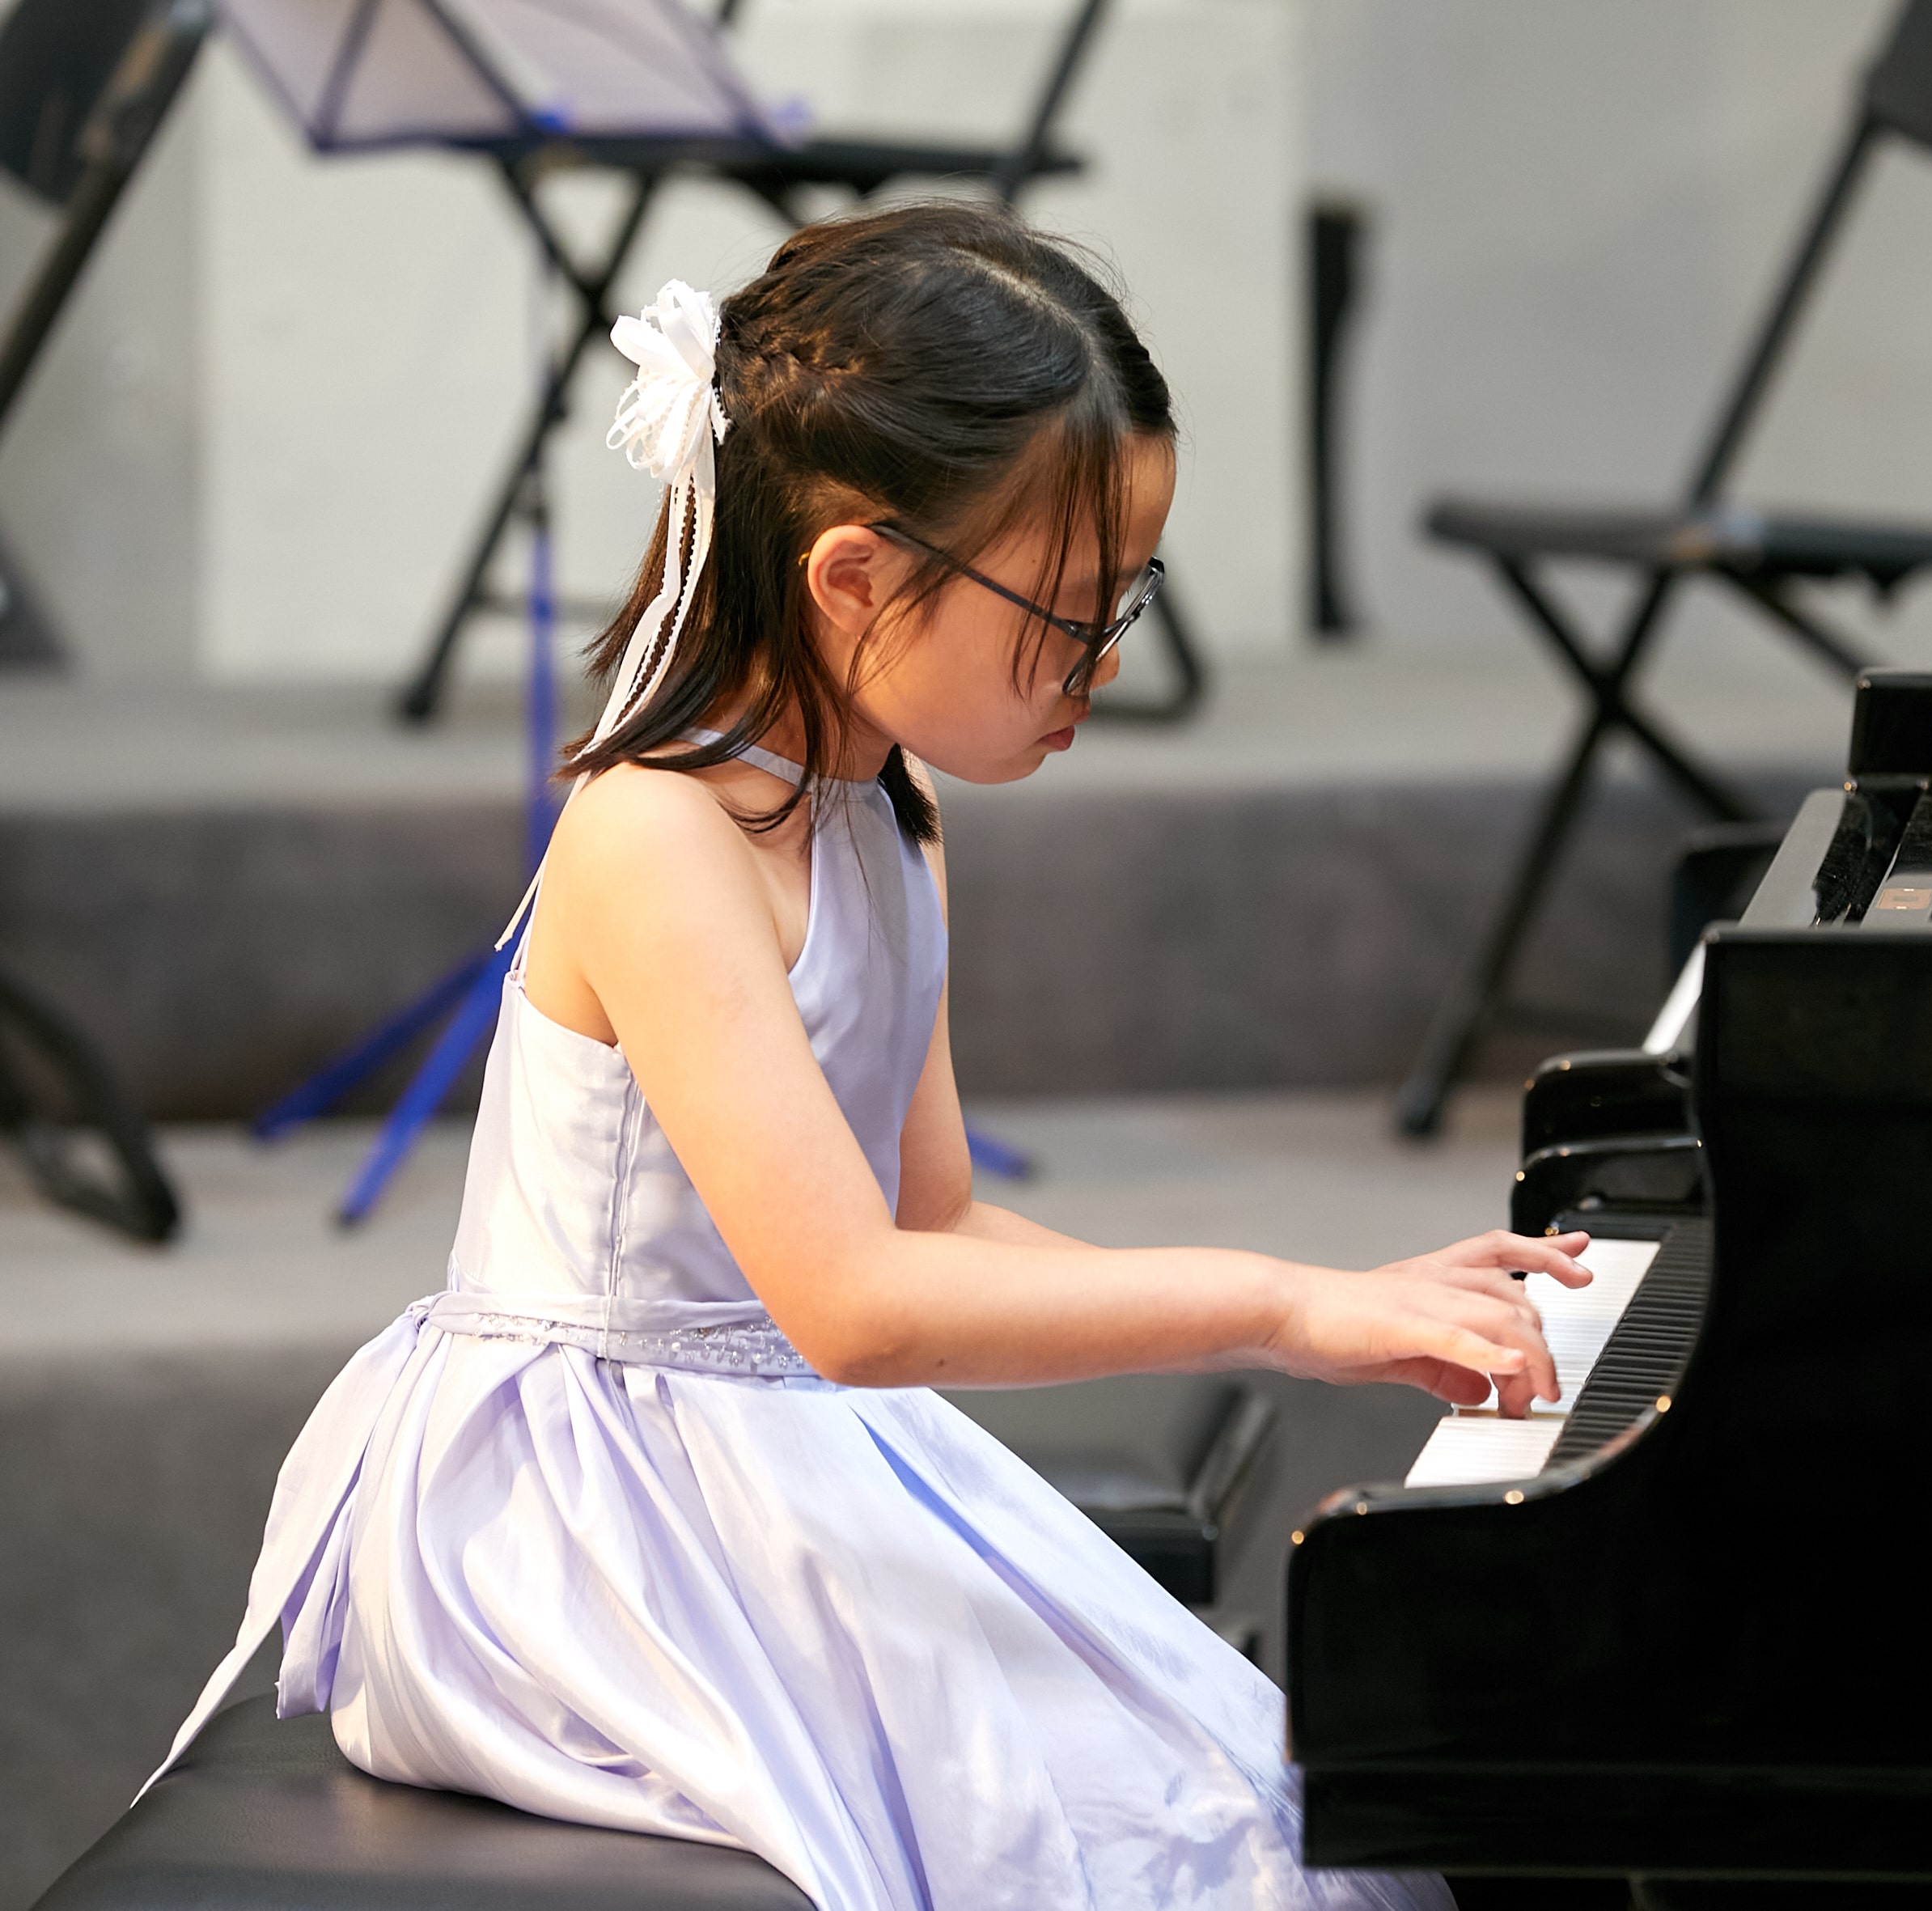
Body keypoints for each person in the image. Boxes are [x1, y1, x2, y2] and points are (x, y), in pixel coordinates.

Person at [151, 201, 1592, 1911]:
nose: (1105, 662)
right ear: (853, 576)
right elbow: (852, 1303)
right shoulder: (656, 836)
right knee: (1093, 1844)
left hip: (773, 1447)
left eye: (1126, 596)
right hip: (577, 1524)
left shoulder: (880, 817)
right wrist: (1281, 1304)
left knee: (1234, 1795)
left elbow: (937, 1222)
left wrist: (1346, 1298)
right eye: (1065, 612)